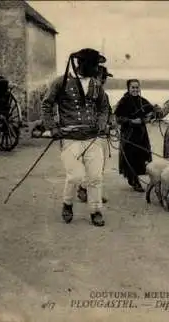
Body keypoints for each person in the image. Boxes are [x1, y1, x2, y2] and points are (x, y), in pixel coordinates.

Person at [41, 48, 110, 227]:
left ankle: (95, 210)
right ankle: (67, 204)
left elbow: (104, 108)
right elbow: (46, 105)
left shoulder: (96, 85)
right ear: (82, 64)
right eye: (94, 65)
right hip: (69, 138)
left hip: (92, 138)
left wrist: (102, 124)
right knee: (75, 177)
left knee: (95, 177)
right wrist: (52, 127)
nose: (97, 69)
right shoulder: (61, 82)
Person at [76, 65, 115, 204]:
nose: (104, 80)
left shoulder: (104, 94)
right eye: (102, 77)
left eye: (104, 78)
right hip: (92, 136)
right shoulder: (88, 95)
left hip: (102, 135)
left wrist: (111, 122)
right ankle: (85, 190)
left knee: (100, 166)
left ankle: (88, 190)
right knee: (95, 166)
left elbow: (108, 112)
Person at [114, 79, 155, 192]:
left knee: (142, 155)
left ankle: (135, 178)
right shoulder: (123, 101)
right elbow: (118, 118)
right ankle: (134, 180)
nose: (135, 90)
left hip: (141, 134)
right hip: (128, 134)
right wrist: (131, 121)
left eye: (137, 87)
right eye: (133, 87)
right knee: (130, 156)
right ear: (128, 88)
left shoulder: (143, 101)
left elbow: (152, 111)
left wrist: (150, 116)